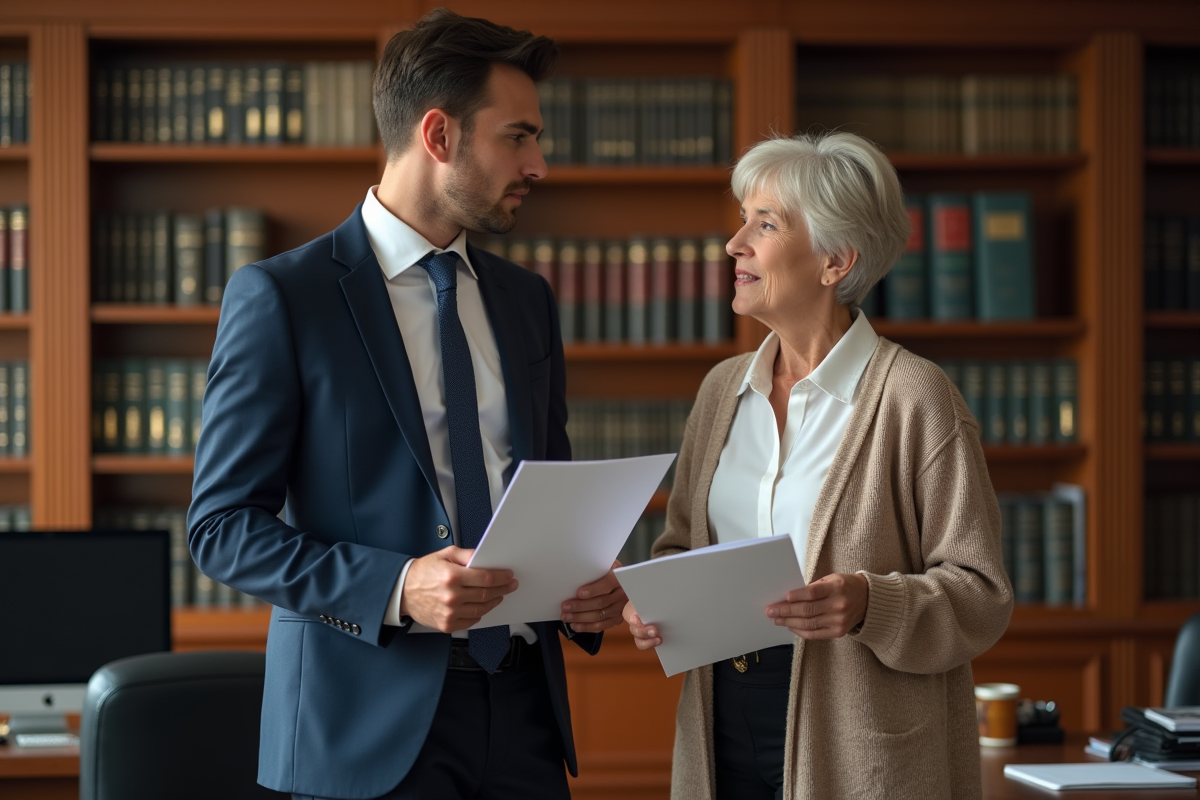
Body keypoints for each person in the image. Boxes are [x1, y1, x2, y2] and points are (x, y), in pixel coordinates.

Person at [188, 10, 627, 800]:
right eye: (518, 138)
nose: (539, 165)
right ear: (439, 135)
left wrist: (584, 587)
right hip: (362, 726)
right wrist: (396, 587)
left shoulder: (526, 301)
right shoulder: (285, 297)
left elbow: (546, 492)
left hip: (527, 717)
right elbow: (221, 529)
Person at [622, 132, 1014, 800]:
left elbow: (981, 596)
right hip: (720, 723)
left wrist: (870, 603)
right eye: (742, 220)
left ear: (835, 261)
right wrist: (654, 605)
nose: (734, 244)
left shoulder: (915, 397)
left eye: (765, 224)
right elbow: (681, 546)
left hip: (859, 740)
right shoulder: (721, 391)